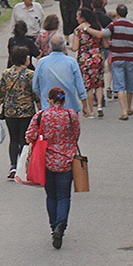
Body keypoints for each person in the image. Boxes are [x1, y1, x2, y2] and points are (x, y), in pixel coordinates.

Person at [25, 87, 81, 250]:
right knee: (64, 196)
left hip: (47, 161)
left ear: (49, 100)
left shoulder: (41, 115)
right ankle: (61, 226)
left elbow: (29, 136)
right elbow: (76, 135)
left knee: (51, 195)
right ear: (64, 100)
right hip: (66, 161)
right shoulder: (71, 115)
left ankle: (53, 226)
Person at [0, 47, 40, 180]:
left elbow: (0, 94)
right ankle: (22, 166)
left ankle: (12, 165)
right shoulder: (30, 74)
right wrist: (41, 111)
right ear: (24, 59)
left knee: (13, 139)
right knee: (24, 140)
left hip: (10, 112)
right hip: (26, 111)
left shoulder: (6, 73)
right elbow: (35, 95)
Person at [32, 33, 91, 116]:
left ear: (50, 46)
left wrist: (43, 97)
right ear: (64, 46)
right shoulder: (71, 62)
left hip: (48, 108)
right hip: (69, 108)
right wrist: (84, 105)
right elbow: (80, 85)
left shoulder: (42, 62)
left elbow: (35, 86)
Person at [102, 5, 133, 120]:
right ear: (127, 13)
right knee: (130, 85)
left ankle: (123, 111)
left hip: (117, 58)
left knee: (119, 86)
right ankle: (129, 107)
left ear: (117, 14)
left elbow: (104, 34)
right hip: (130, 58)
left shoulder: (113, 26)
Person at [71, 8, 107, 118]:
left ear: (82, 18)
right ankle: (100, 105)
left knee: (88, 86)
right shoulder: (96, 27)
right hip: (98, 56)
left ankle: (91, 110)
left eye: (78, 16)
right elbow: (103, 39)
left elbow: (75, 48)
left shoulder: (78, 30)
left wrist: (70, 47)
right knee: (99, 83)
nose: (76, 18)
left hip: (85, 59)